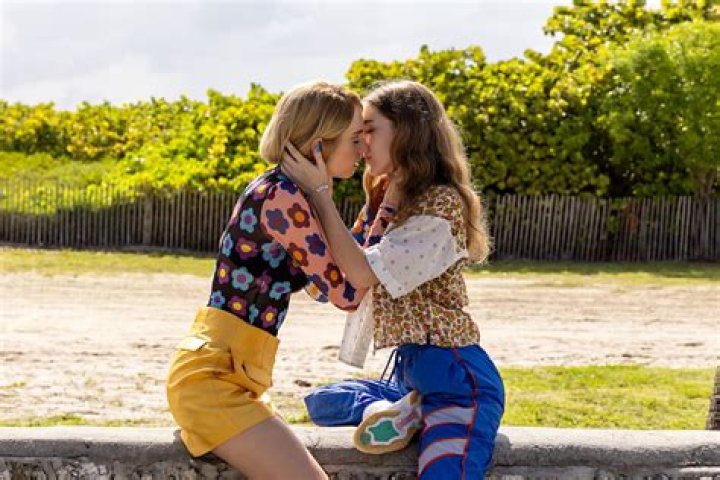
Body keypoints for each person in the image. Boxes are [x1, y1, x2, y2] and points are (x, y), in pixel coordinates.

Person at [165, 81, 396, 479]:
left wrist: (371, 205)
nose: (362, 150)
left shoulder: (289, 194)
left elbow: (327, 280)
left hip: (231, 374)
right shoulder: (282, 198)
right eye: (355, 139)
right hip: (213, 382)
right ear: (318, 146)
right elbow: (347, 293)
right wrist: (385, 209)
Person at [281, 80, 505, 479]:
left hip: (456, 379)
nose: (361, 143)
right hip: (410, 374)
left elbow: (363, 271)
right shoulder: (390, 196)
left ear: (406, 132)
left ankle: (413, 410)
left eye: (369, 130)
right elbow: (336, 276)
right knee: (322, 401)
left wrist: (321, 195)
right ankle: (402, 410)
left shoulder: (441, 204)